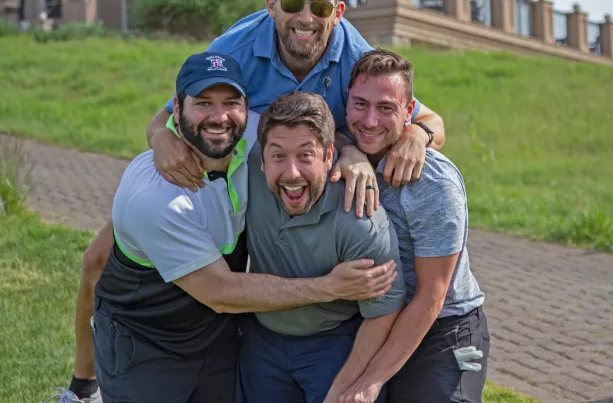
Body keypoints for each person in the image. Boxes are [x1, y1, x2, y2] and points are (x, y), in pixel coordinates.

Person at [62, 0, 445, 401]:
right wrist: (159, 137)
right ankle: (81, 388)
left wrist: (409, 139)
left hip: (289, 177)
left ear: (338, 13)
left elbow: (426, 119)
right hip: (233, 169)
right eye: (292, 3)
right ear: (271, 3)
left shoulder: (355, 53)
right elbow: (173, 112)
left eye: (320, 7)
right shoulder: (234, 49)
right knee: (97, 260)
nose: (306, 16)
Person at [89, 53, 397, 403]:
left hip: (217, 337)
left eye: (230, 103)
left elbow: (308, 136)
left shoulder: (256, 133)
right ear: (177, 108)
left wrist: (351, 153)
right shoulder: (156, 198)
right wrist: (330, 287)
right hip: (147, 338)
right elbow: (221, 292)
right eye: (203, 103)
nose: (219, 117)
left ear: (246, 108)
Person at [333, 50, 489, 403]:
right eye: (360, 104)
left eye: (386, 108)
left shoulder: (434, 182)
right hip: (374, 318)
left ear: (409, 112)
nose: (370, 120)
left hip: (443, 325)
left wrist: (370, 381)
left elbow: (431, 297)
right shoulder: (341, 158)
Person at [236, 91, 405, 403]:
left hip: (335, 344)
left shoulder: (360, 219)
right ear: (262, 159)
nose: (291, 173)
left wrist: (345, 387)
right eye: (278, 156)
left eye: (305, 156)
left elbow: (384, 311)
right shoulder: (245, 172)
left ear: (329, 157)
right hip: (263, 339)